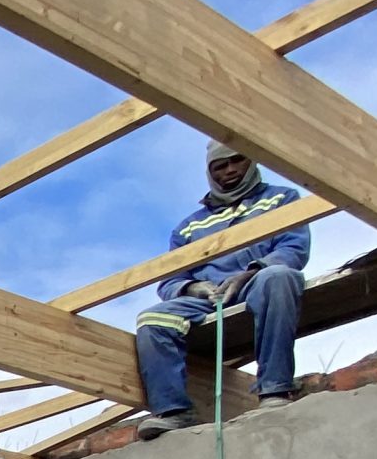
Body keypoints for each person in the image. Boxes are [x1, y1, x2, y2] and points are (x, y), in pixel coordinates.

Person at [132, 141, 311, 437]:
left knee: (279, 277)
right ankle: (173, 411)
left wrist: (250, 273)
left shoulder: (281, 198)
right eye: (220, 166)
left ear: (251, 162)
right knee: (152, 319)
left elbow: (293, 249)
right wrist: (194, 287)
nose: (230, 170)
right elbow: (170, 281)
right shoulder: (188, 227)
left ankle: (274, 390)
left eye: (237, 160)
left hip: (255, 282)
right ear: (210, 172)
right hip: (208, 298)